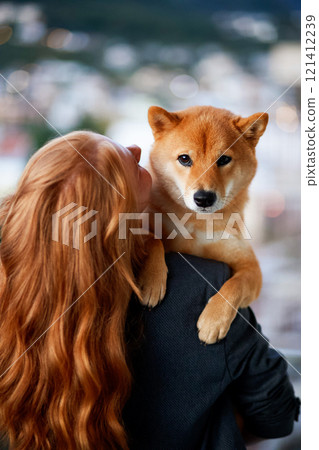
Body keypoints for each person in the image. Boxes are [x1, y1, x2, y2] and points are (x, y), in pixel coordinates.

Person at [0, 131, 299, 450]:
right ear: (123, 215)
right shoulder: (204, 288)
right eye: (128, 160)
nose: (137, 147)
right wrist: (211, 418)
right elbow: (277, 416)